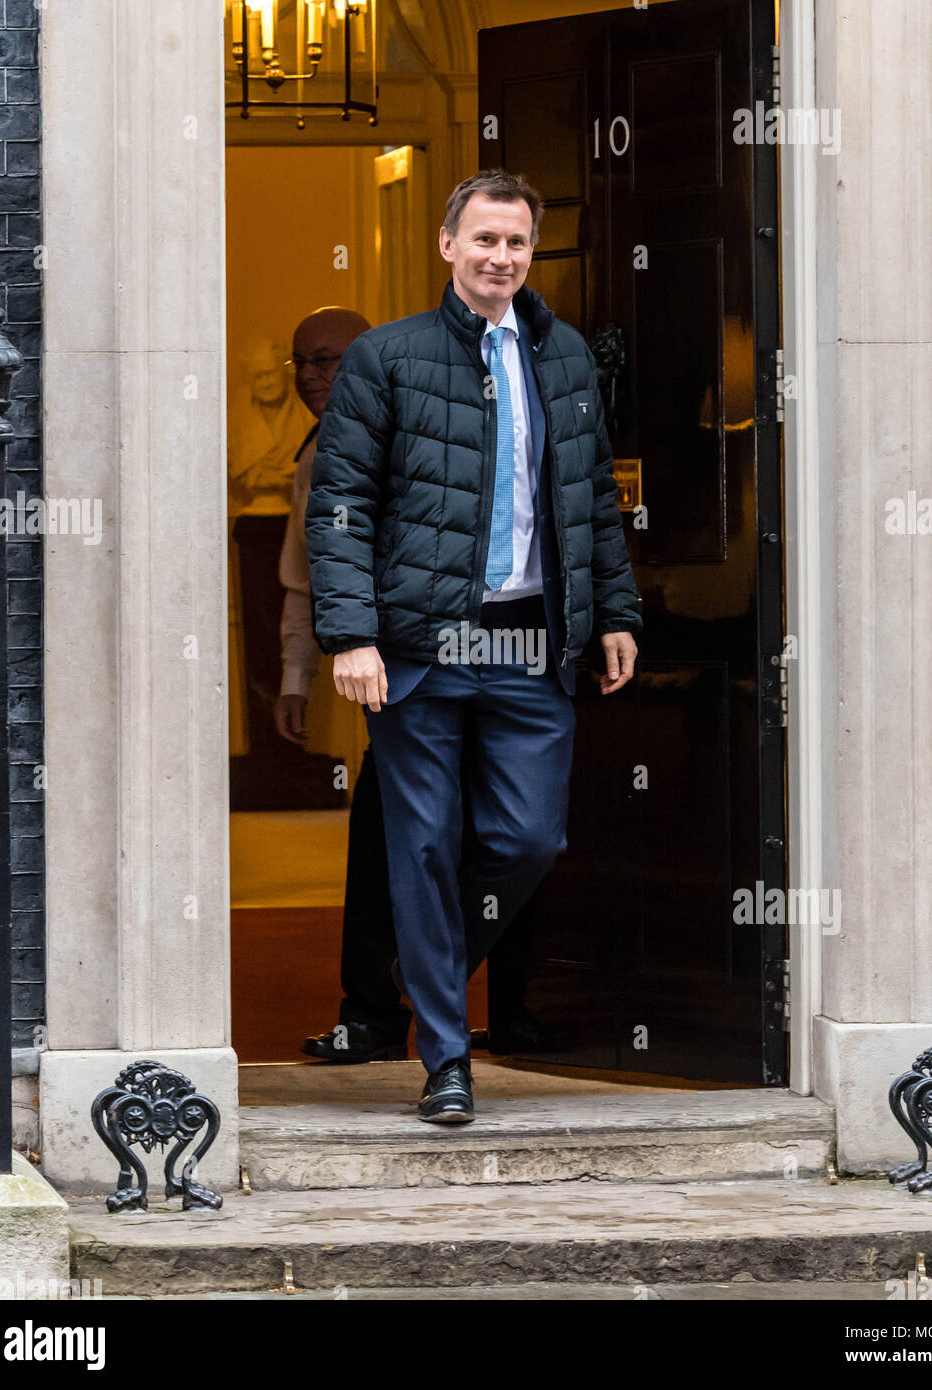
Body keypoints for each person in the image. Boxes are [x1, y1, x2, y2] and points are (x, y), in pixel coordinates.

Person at [307, 169, 642, 1123]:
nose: (502, 258)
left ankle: (430, 965)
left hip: (528, 643)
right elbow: (340, 510)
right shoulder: (387, 358)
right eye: (486, 240)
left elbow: (592, 502)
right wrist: (352, 634)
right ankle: (446, 1060)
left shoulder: (564, 354)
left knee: (528, 838)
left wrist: (614, 612)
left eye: (518, 244)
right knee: (419, 845)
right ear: (448, 245)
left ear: (532, 253)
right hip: (418, 648)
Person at [277, 306, 566, 1064]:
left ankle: (503, 1007)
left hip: (506, 651)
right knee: (396, 844)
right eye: (303, 362)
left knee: (517, 835)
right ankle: (374, 1010)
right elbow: (308, 577)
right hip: (402, 670)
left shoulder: (453, 411)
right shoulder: (320, 455)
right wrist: (301, 673)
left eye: (330, 359)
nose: (315, 375)